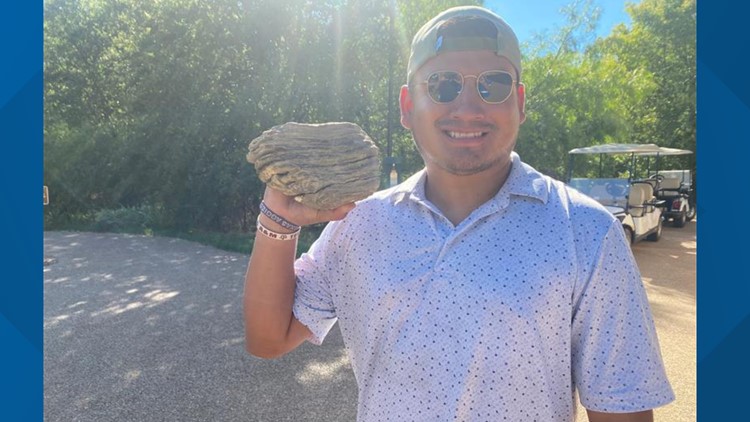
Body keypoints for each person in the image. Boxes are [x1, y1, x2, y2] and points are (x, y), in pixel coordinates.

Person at [243, 6, 674, 421]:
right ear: (408, 106)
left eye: (494, 85)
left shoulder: (586, 232)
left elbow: (622, 409)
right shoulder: (358, 224)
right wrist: (277, 221)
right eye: (444, 84)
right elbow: (268, 338)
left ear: (520, 103)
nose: (468, 107)